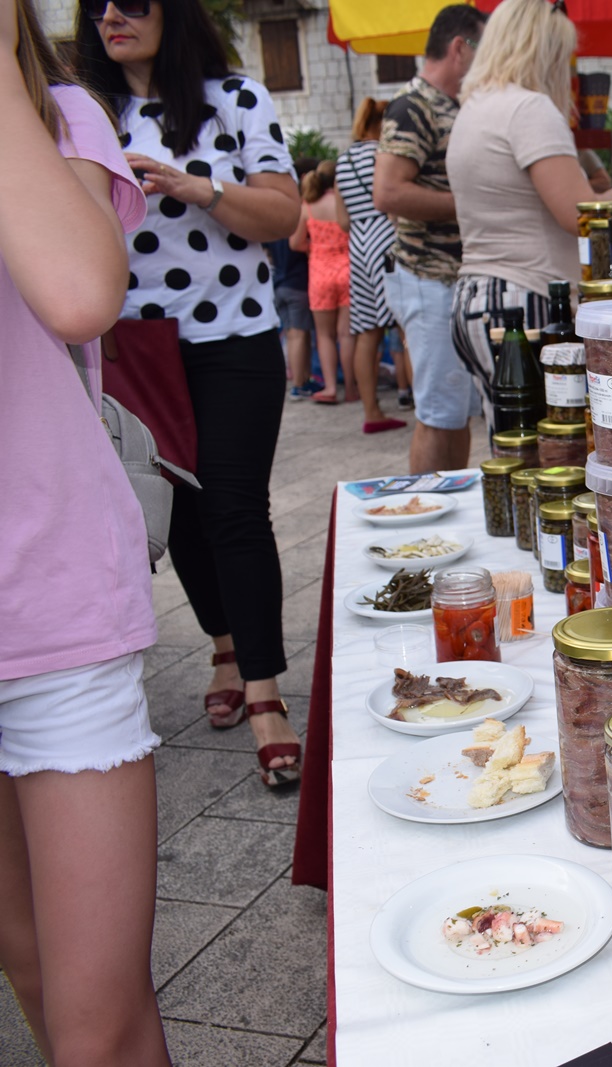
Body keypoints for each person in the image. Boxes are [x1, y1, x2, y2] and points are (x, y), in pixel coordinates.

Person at [0, 0, 170, 1061]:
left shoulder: (57, 113)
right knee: (30, 967)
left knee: (95, 1023)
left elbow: (77, 295)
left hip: (49, 597)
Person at [76, 0, 304, 787]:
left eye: (133, 2)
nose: (112, 15)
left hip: (235, 336)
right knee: (180, 516)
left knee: (235, 506)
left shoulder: (234, 98)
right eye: (96, 4)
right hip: (131, 348)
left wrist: (198, 187)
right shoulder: (80, 110)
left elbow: (282, 214)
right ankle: (225, 646)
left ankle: (265, 692)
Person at [446, 0, 612, 430]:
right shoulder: (529, 109)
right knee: (557, 440)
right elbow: (576, 214)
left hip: (478, 296)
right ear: (545, 52)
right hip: (528, 295)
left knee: (512, 439)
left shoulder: (475, 106)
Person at [374, 3, 485, 474]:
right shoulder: (413, 105)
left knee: (455, 412)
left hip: (450, 281)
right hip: (427, 276)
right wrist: (472, 205)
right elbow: (388, 192)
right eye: (483, 48)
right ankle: (423, 506)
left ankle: (453, 502)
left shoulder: (452, 104)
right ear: (459, 47)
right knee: (439, 413)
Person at [335, 97, 406, 431]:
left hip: (359, 246)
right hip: (387, 238)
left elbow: (342, 221)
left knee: (367, 332)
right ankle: (424, 407)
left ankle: (371, 412)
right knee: (407, 327)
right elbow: (393, 201)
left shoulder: (343, 160)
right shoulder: (383, 154)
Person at [291, 160, 360, 412]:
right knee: (346, 334)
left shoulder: (307, 206)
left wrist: (314, 248)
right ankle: (351, 387)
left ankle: (330, 387)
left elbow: (295, 243)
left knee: (324, 335)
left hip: (320, 273)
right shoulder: (344, 204)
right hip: (348, 270)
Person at [269, 159, 318, 399]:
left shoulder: (276, 218)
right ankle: (299, 384)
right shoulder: (299, 212)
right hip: (297, 282)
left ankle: (303, 379)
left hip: (279, 282)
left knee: (293, 333)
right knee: (299, 334)